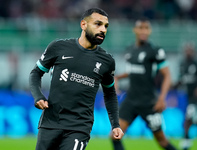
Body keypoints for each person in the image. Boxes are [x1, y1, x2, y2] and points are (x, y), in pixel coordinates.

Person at [29, 8, 124, 150]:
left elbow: (110, 93)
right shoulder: (58, 47)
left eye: (106, 26)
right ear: (83, 25)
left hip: (79, 127)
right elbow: (36, 73)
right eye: (98, 24)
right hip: (50, 122)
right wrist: (38, 96)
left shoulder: (107, 61)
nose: (103, 29)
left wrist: (115, 124)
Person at [111, 18, 177, 150]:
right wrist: (117, 77)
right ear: (135, 30)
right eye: (141, 28)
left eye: (146, 28)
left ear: (150, 31)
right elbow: (134, 71)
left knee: (162, 141)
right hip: (131, 100)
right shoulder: (130, 50)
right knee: (115, 136)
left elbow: (167, 75)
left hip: (149, 102)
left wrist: (162, 98)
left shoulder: (155, 51)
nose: (144, 31)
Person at [176, 43, 197, 150]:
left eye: (190, 50)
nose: (188, 52)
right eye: (187, 50)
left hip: (196, 97)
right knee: (196, 119)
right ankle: (187, 138)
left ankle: (186, 139)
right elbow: (182, 79)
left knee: (189, 117)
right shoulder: (183, 64)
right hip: (188, 96)